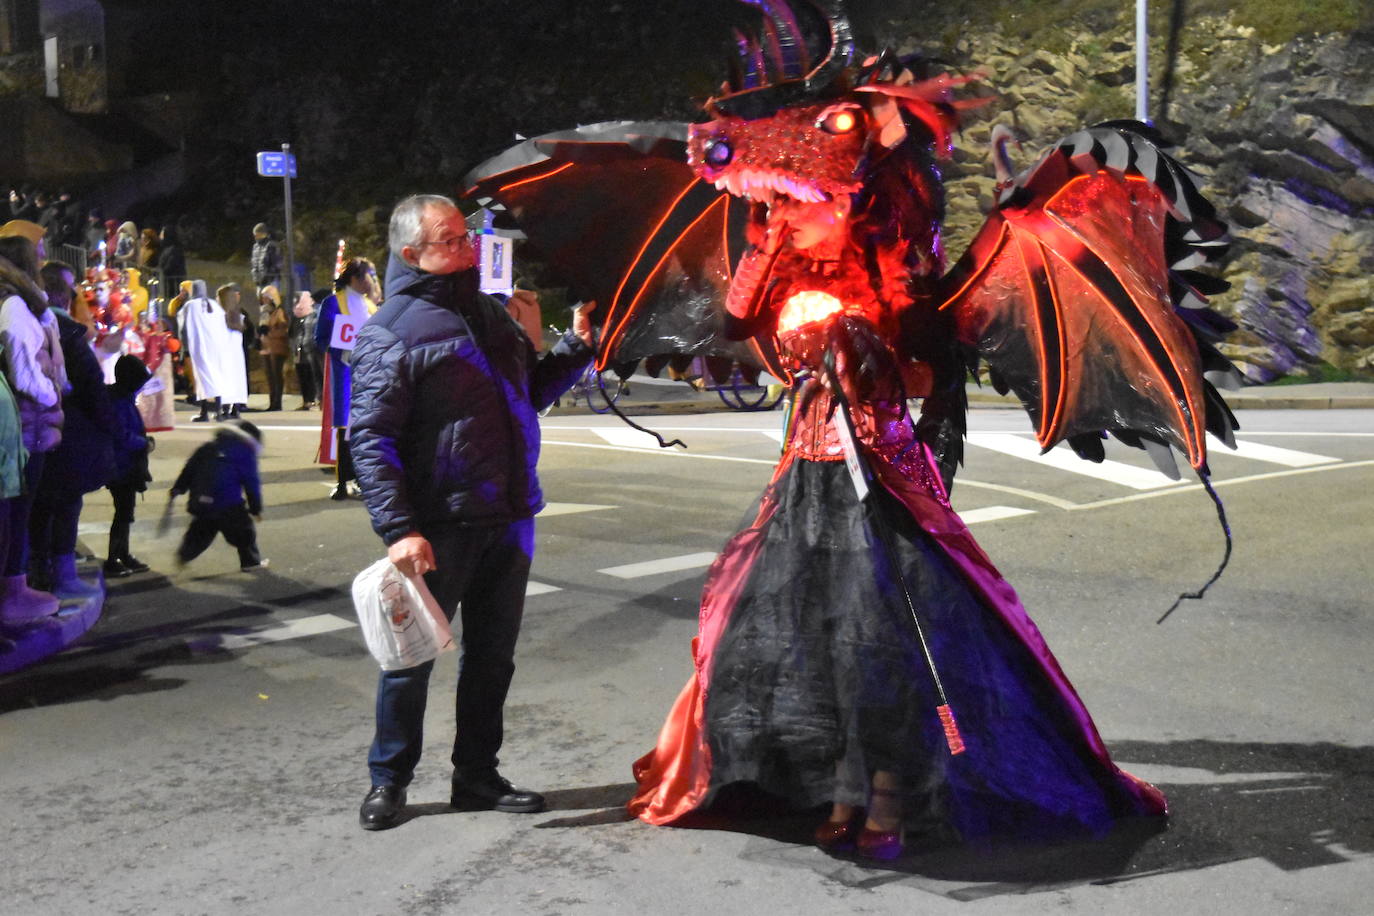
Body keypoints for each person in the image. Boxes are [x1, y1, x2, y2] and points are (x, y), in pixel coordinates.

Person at [349, 193, 594, 831]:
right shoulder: (389, 330)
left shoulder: (490, 314)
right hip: (439, 525)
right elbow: (369, 437)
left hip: (509, 514)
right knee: (411, 658)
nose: (467, 247)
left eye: (466, 236)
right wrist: (399, 529)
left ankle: (477, 777)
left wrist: (573, 349)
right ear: (412, 254)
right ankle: (389, 779)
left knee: (493, 656)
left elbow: (528, 395)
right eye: (451, 240)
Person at [29, 263, 118, 597]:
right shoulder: (67, 334)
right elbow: (94, 391)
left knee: (36, 507)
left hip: (35, 435)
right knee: (65, 506)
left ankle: (35, 574)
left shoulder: (25, 326)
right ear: (65, 298)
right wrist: (112, 430)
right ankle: (61, 576)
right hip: (69, 435)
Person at [0, 234, 65, 622]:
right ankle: (14, 590)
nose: (43, 261)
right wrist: (52, 392)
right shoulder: (14, 308)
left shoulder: (19, 306)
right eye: (37, 256)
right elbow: (24, 372)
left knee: (19, 511)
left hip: (26, 423)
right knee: (19, 512)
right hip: (28, 425)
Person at [314, 258, 378, 499]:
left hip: (369, 374)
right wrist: (340, 352)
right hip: (345, 372)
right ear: (355, 278)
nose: (370, 281)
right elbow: (320, 337)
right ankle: (343, 481)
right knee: (345, 428)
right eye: (367, 276)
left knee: (364, 427)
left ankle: (362, 479)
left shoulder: (370, 307)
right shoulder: (333, 303)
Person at [169, 419, 267, 571]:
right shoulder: (245, 453)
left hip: (201, 502)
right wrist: (256, 508)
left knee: (200, 532)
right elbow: (251, 484)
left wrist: (178, 488)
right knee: (244, 532)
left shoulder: (207, 448)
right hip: (229, 504)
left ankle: (184, 555)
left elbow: (189, 469)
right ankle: (251, 562)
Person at [106, 355, 154, 578]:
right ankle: (114, 557)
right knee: (123, 512)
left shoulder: (122, 398)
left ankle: (122, 554)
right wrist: (144, 444)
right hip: (122, 467)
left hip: (126, 465)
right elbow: (121, 435)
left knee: (126, 512)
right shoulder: (118, 402)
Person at [179, 281, 229, 422]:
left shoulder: (190, 305)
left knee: (202, 379)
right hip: (215, 347)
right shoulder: (214, 305)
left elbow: (183, 327)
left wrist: (185, 347)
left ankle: (205, 411)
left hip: (199, 347)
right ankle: (219, 411)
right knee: (216, 376)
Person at [216, 283, 250, 419]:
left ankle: (227, 409)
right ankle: (234, 409)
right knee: (236, 380)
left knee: (226, 380)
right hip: (236, 353)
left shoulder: (224, 315)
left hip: (227, 352)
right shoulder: (237, 314)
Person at [256, 285, 289, 411]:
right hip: (265, 347)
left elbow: (284, 331)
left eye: (266, 297)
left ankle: (277, 402)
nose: (264, 299)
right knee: (269, 376)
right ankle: (272, 401)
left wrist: (269, 333)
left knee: (276, 375)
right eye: (263, 297)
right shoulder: (264, 312)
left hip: (277, 347)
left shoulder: (279, 312)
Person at [290, 289, 322, 410]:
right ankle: (306, 400)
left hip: (311, 348)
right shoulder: (296, 315)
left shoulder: (313, 313)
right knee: (302, 374)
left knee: (312, 375)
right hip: (299, 348)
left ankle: (314, 399)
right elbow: (291, 331)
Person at [250, 223, 282, 294]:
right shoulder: (255, 247)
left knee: (272, 303)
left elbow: (277, 264)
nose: (257, 237)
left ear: (265, 234)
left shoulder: (272, 245)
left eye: (259, 234)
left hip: (271, 282)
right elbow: (254, 264)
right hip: (259, 282)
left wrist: (267, 276)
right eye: (255, 235)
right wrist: (256, 277)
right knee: (262, 303)